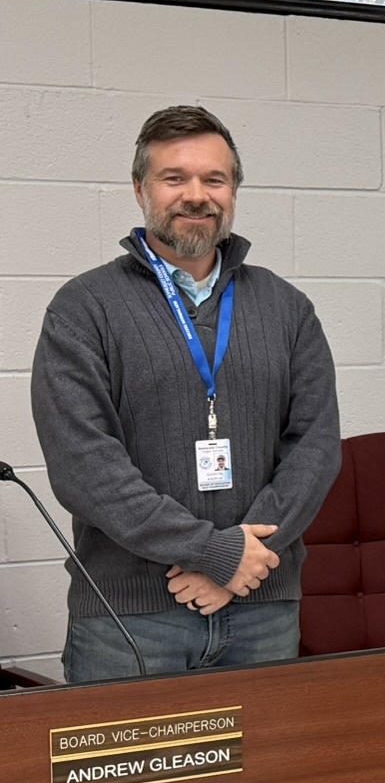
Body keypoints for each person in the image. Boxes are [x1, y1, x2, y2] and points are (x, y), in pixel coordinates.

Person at [31, 105, 340, 682]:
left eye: (214, 179)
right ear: (140, 188)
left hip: (263, 608)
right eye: (174, 178)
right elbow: (84, 466)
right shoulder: (83, 309)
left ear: (233, 191)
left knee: (268, 748)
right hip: (131, 622)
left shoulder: (288, 308)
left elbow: (315, 448)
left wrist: (243, 560)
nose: (196, 195)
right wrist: (214, 552)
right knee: (128, 749)